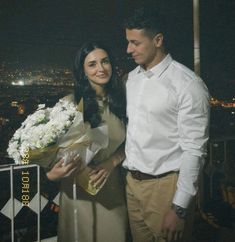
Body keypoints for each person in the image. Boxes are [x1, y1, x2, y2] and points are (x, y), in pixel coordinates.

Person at [122, 7, 210, 242]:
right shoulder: (131, 79)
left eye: (135, 43)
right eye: (128, 42)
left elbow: (194, 149)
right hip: (132, 185)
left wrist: (179, 207)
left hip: (165, 187)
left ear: (158, 40)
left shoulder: (188, 84)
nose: (128, 49)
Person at [46, 41, 128, 242]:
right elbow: (47, 150)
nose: (101, 68)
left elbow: (134, 144)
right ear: (82, 72)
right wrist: (51, 174)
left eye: (105, 61)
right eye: (92, 64)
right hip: (77, 191)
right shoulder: (69, 104)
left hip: (112, 187)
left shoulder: (124, 102)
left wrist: (112, 162)